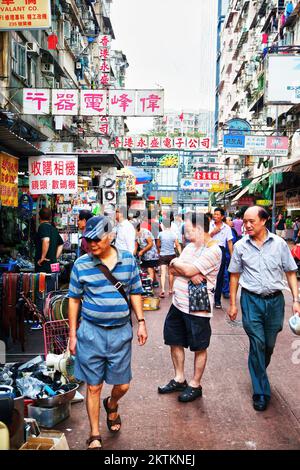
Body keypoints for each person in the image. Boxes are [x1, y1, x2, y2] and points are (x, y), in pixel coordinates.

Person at [68, 215, 147, 449]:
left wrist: (141, 321)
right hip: (91, 332)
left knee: (123, 384)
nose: (91, 244)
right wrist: (73, 334)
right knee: (93, 386)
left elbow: (135, 292)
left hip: (121, 332)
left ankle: (112, 404)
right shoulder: (81, 264)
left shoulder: (128, 261)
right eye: (87, 240)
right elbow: (73, 300)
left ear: (110, 236)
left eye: (96, 240)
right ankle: (94, 433)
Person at [228, 206, 300, 412]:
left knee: (268, 345)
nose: (247, 225)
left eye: (251, 221)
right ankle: (261, 391)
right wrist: (233, 303)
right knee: (258, 342)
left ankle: (258, 369)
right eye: (244, 221)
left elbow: (291, 272)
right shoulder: (241, 246)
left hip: (275, 301)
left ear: (264, 220)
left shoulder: (279, 245)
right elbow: (234, 275)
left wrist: (295, 299)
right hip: (251, 300)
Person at [158, 213, 221, 402]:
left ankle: (195, 384)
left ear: (200, 228)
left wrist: (184, 268)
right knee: (174, 339)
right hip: (178, 303)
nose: (185, 234)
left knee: (199, 346)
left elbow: (185, 270)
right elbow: (173, 268)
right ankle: (179, 378)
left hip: (198, 306)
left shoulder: (214, 250)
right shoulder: (190, 248)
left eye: (188, 230)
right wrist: (181, 266)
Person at [209, 208, 233, 309]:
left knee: (220, 276)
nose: (215, 216)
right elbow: (206, 237)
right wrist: (213, 232)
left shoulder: (227, 228)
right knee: (208, 274)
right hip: (210, 250)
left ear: (222, 216)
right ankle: (207, 299)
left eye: (218, 214)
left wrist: (232, 256)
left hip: (221, 251)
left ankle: (217, 300)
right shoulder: (210, 225)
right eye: (214, 214)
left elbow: (229, 242)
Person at [157, 217, 181, 297]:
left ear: (163, 225)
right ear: (170, 225)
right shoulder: (174, 234)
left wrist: (159, 251)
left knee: (163, 273)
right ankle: (170, 289)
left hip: (163, 255)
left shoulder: (160, 234)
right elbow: (177, 245)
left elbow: (158, 245)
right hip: (172, 255)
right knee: (171, 273)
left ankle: (163, 290)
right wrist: (180, 255)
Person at [222, 216, 239, 299]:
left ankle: (226, 288)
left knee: (230, 274)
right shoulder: (223, 231)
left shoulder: (233, 231)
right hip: (224, 255)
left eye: (231, 220)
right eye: (229, 220)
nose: (231, 221)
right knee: (225, 274)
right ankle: (225, 291)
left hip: (232, 255)